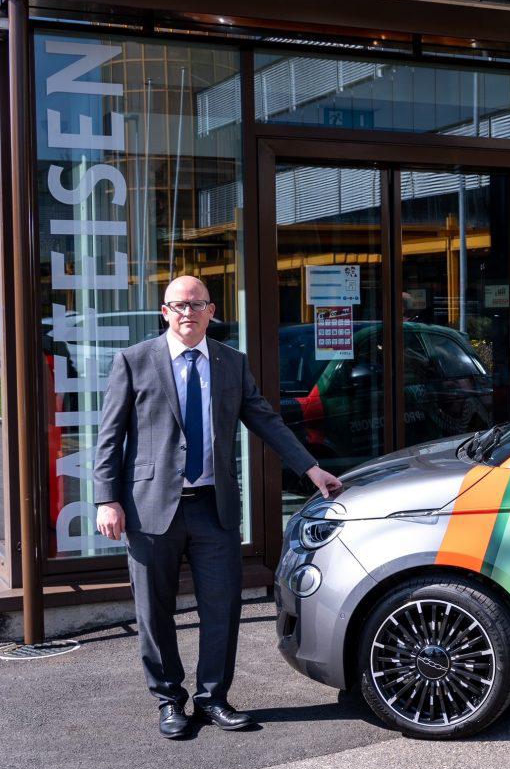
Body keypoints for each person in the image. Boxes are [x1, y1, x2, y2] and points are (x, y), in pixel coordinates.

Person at [95, 276, 344, 739]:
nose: (188, 312)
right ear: (164, 312)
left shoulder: (231, 363)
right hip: (150, 509)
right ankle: (169, 699)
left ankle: (212, 698)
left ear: (212, 312)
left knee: (221, 608)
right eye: (178, 305)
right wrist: (106, 498)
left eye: (197, 304)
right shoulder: (133, 361)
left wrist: (311, 470)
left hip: (214, 506)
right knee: (154, 610)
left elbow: (265, 419)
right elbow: (110, 435)